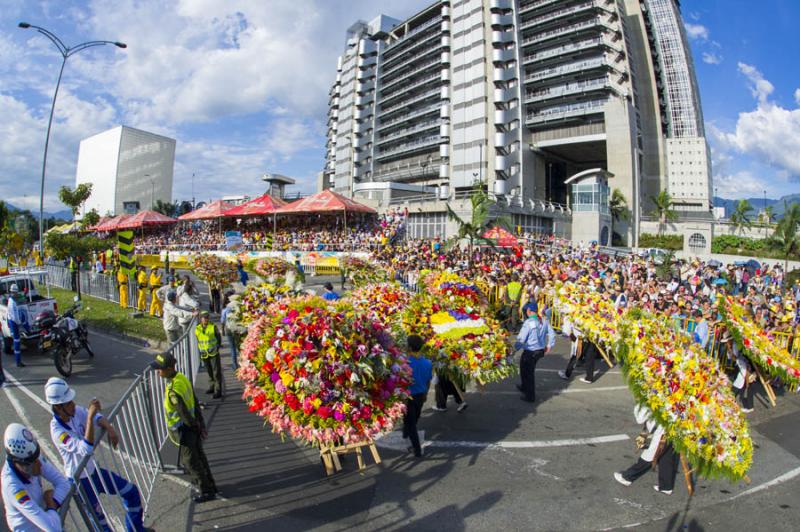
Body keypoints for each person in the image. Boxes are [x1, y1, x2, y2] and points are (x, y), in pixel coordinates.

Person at [45, 377, 151, 532]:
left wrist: (110, 429)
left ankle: (135, 529)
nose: (73, 404)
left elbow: (97, 417)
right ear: (59, 408)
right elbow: (85, 449)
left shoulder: (74, 411)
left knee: (131, 492)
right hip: (81, 482)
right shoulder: (57, 431)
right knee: (100, 524)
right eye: (68, 403)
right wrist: (89, 419)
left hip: (94, 471)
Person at [150, 353, 217, 503]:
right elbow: (193, 399)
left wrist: (194, 425)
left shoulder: (173, 389)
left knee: (191, 461)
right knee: (200, 457)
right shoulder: (181, 377)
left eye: (160, 369)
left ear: (168, 369)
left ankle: (206, 490)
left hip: (185, 429)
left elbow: (183, 412)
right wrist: (199, 423)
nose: (157, 372)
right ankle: (210, 484)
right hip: (193, 426)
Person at [3, 423, 70, 532]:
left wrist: (51, 507)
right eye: (34, 462)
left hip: (45, 520)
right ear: (20, 464)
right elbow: (53, 528)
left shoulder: (31, 455)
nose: (39, 464)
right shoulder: (13, 487)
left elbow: (63, 483)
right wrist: (51, 506)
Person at [613, 404, 678, 495]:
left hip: (664, 428)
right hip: (677, 426)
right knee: (667, 455)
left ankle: (628, 477)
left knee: (650, 454)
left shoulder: (655, 394)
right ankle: (666, 486)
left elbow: (640, 418)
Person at [515, 302, 556, 403]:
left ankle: (530, 396)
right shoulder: (544, 320)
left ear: (528, 311)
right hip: (539, 351)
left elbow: (521, 339)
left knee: (528, 372)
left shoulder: (528, 323)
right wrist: (549, 345)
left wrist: (513, 350)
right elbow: (552, 334)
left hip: (531, 351)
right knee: (523, 367)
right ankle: (524, 387)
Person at [403, 335, 432, 458]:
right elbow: (428, 381)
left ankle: (417, 449)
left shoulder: (405, 362)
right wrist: (425, 394)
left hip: (409, 397)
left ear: (409, 347)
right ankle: (406, 433)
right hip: (421, 395)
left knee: (411, 423)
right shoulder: (427, 362)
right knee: (413, 419)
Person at [195, 311, 224, 398]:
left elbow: (218, 338)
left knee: (216, 372)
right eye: (204, 317)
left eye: (207, 317)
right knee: (209, 371)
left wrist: (217, 347)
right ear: (201, 319)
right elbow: (198, 339)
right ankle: (212, 386)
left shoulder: (213, 327)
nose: (206, 319)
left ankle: (218, 390)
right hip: (204, 353)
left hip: (213, 352)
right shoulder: (197, 328)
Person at [6, 284, 29, 369]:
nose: (15, 294)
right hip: (14, 322)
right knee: (17, 341)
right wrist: (20, 324)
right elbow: (15, 317)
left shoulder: (13, 299)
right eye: (14, 292)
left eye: (16, 292)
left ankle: (18, 361)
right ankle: (18, 362)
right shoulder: (12, 302)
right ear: (12, 292)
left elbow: (21, 297)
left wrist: (25, 293)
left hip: (14, 321)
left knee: (18, 340)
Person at [220, 294, 239, 370]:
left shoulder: (225, 309)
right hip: (237, 329)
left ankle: (235, 365)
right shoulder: (237, 306)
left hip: (228, 329)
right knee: (239, 347)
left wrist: (223, 330)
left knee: (232, 348)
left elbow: (222, 320)